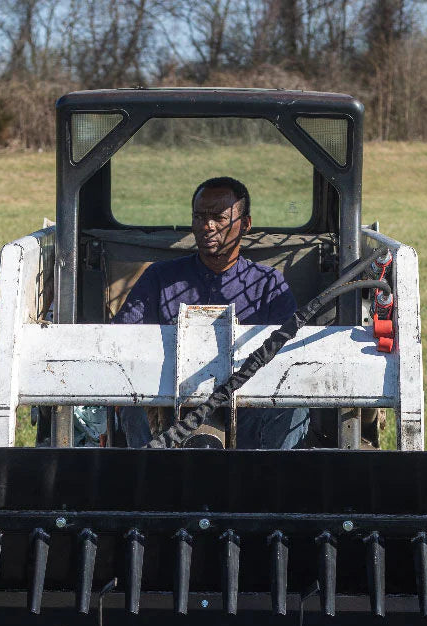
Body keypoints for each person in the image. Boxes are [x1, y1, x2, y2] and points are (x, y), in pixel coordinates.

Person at [113, 176, 309, 449]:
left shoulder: (267, 284)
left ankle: (263, 480)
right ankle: (149, 480)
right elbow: (122, 339)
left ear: (246, 225)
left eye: (218, 217)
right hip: (169, 405)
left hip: (247, 405)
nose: (208, 226)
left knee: (293, 409)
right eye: (199, 216)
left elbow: (289, 358)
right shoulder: (160, 277)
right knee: (133, 406)